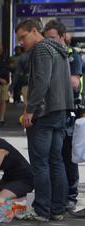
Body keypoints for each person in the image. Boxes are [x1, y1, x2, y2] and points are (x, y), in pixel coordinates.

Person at [16, 19, 73, 222]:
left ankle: (41, 210)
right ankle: (57, 209)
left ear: (34, 31)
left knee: (40, 163)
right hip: (60, 111)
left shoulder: (41, 50)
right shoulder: (60, 50)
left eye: (23, 37)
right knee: (56, 161)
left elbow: (41, 81)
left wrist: (30, 110)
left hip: (45, 113)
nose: (21, 42)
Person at [44, 20, 82, 211]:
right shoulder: (47, 55)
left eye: (52, 38)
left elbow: (74, 83)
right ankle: (58, 195)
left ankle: (71, 196)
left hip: (71, 112)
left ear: (62, 37)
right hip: (53, 111)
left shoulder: (71, 56)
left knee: (68, 155)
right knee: (55, 155)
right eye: (47, 38)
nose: (49, 42)